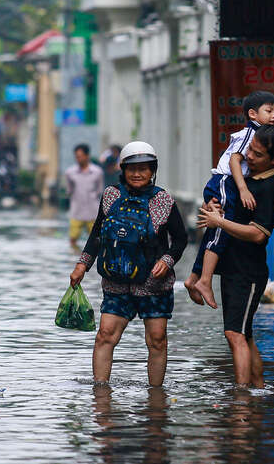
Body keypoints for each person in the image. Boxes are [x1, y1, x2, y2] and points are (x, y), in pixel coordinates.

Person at [69, 141, 188, 387]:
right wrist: (82, 265)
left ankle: (156, 400)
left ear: (153, 170)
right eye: (132, 168)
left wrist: (167, 260)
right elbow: (97, 235)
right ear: (122, 169)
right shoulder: (111, 195)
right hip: (116, 283)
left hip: (154, 285)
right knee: (104, 336)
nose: (137, 173)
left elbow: (181, 239)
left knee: (157, 340)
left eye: (144, 168)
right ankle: (101, 398)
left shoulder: (164, 201)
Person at [196, 124, 274, 387]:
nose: (250, 156)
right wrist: (211, 208)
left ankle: (241, 397)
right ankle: (256, 388)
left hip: (248, 272)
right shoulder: (247, 180)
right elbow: (225, 203)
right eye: (250, 149)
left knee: (234, 334)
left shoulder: (269, 187)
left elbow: (259, 234)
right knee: (244, 335)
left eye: (258, 155)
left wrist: (219, 222)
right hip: (233, 268)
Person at [185, 91, 274, 309]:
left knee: (215, 230)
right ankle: (205, 280)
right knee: (220, 229)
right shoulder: (251, 134)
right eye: (269, 111)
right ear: (252, 114)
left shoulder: (261, 135)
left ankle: (194, 278)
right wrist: (242, 188)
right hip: (226, 181)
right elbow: (234, 163)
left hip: (226, 184)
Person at [65, 143, 104, 249]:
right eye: (76, 156)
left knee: (96, 240)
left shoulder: (97, 172)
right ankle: (74, 257)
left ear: (87, 156)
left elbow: (99, 191)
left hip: (93, 212)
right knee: (72, 239)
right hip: (76, 211)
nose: (78, 159)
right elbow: (69, 191)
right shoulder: (70, 172)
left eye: (80, 156)